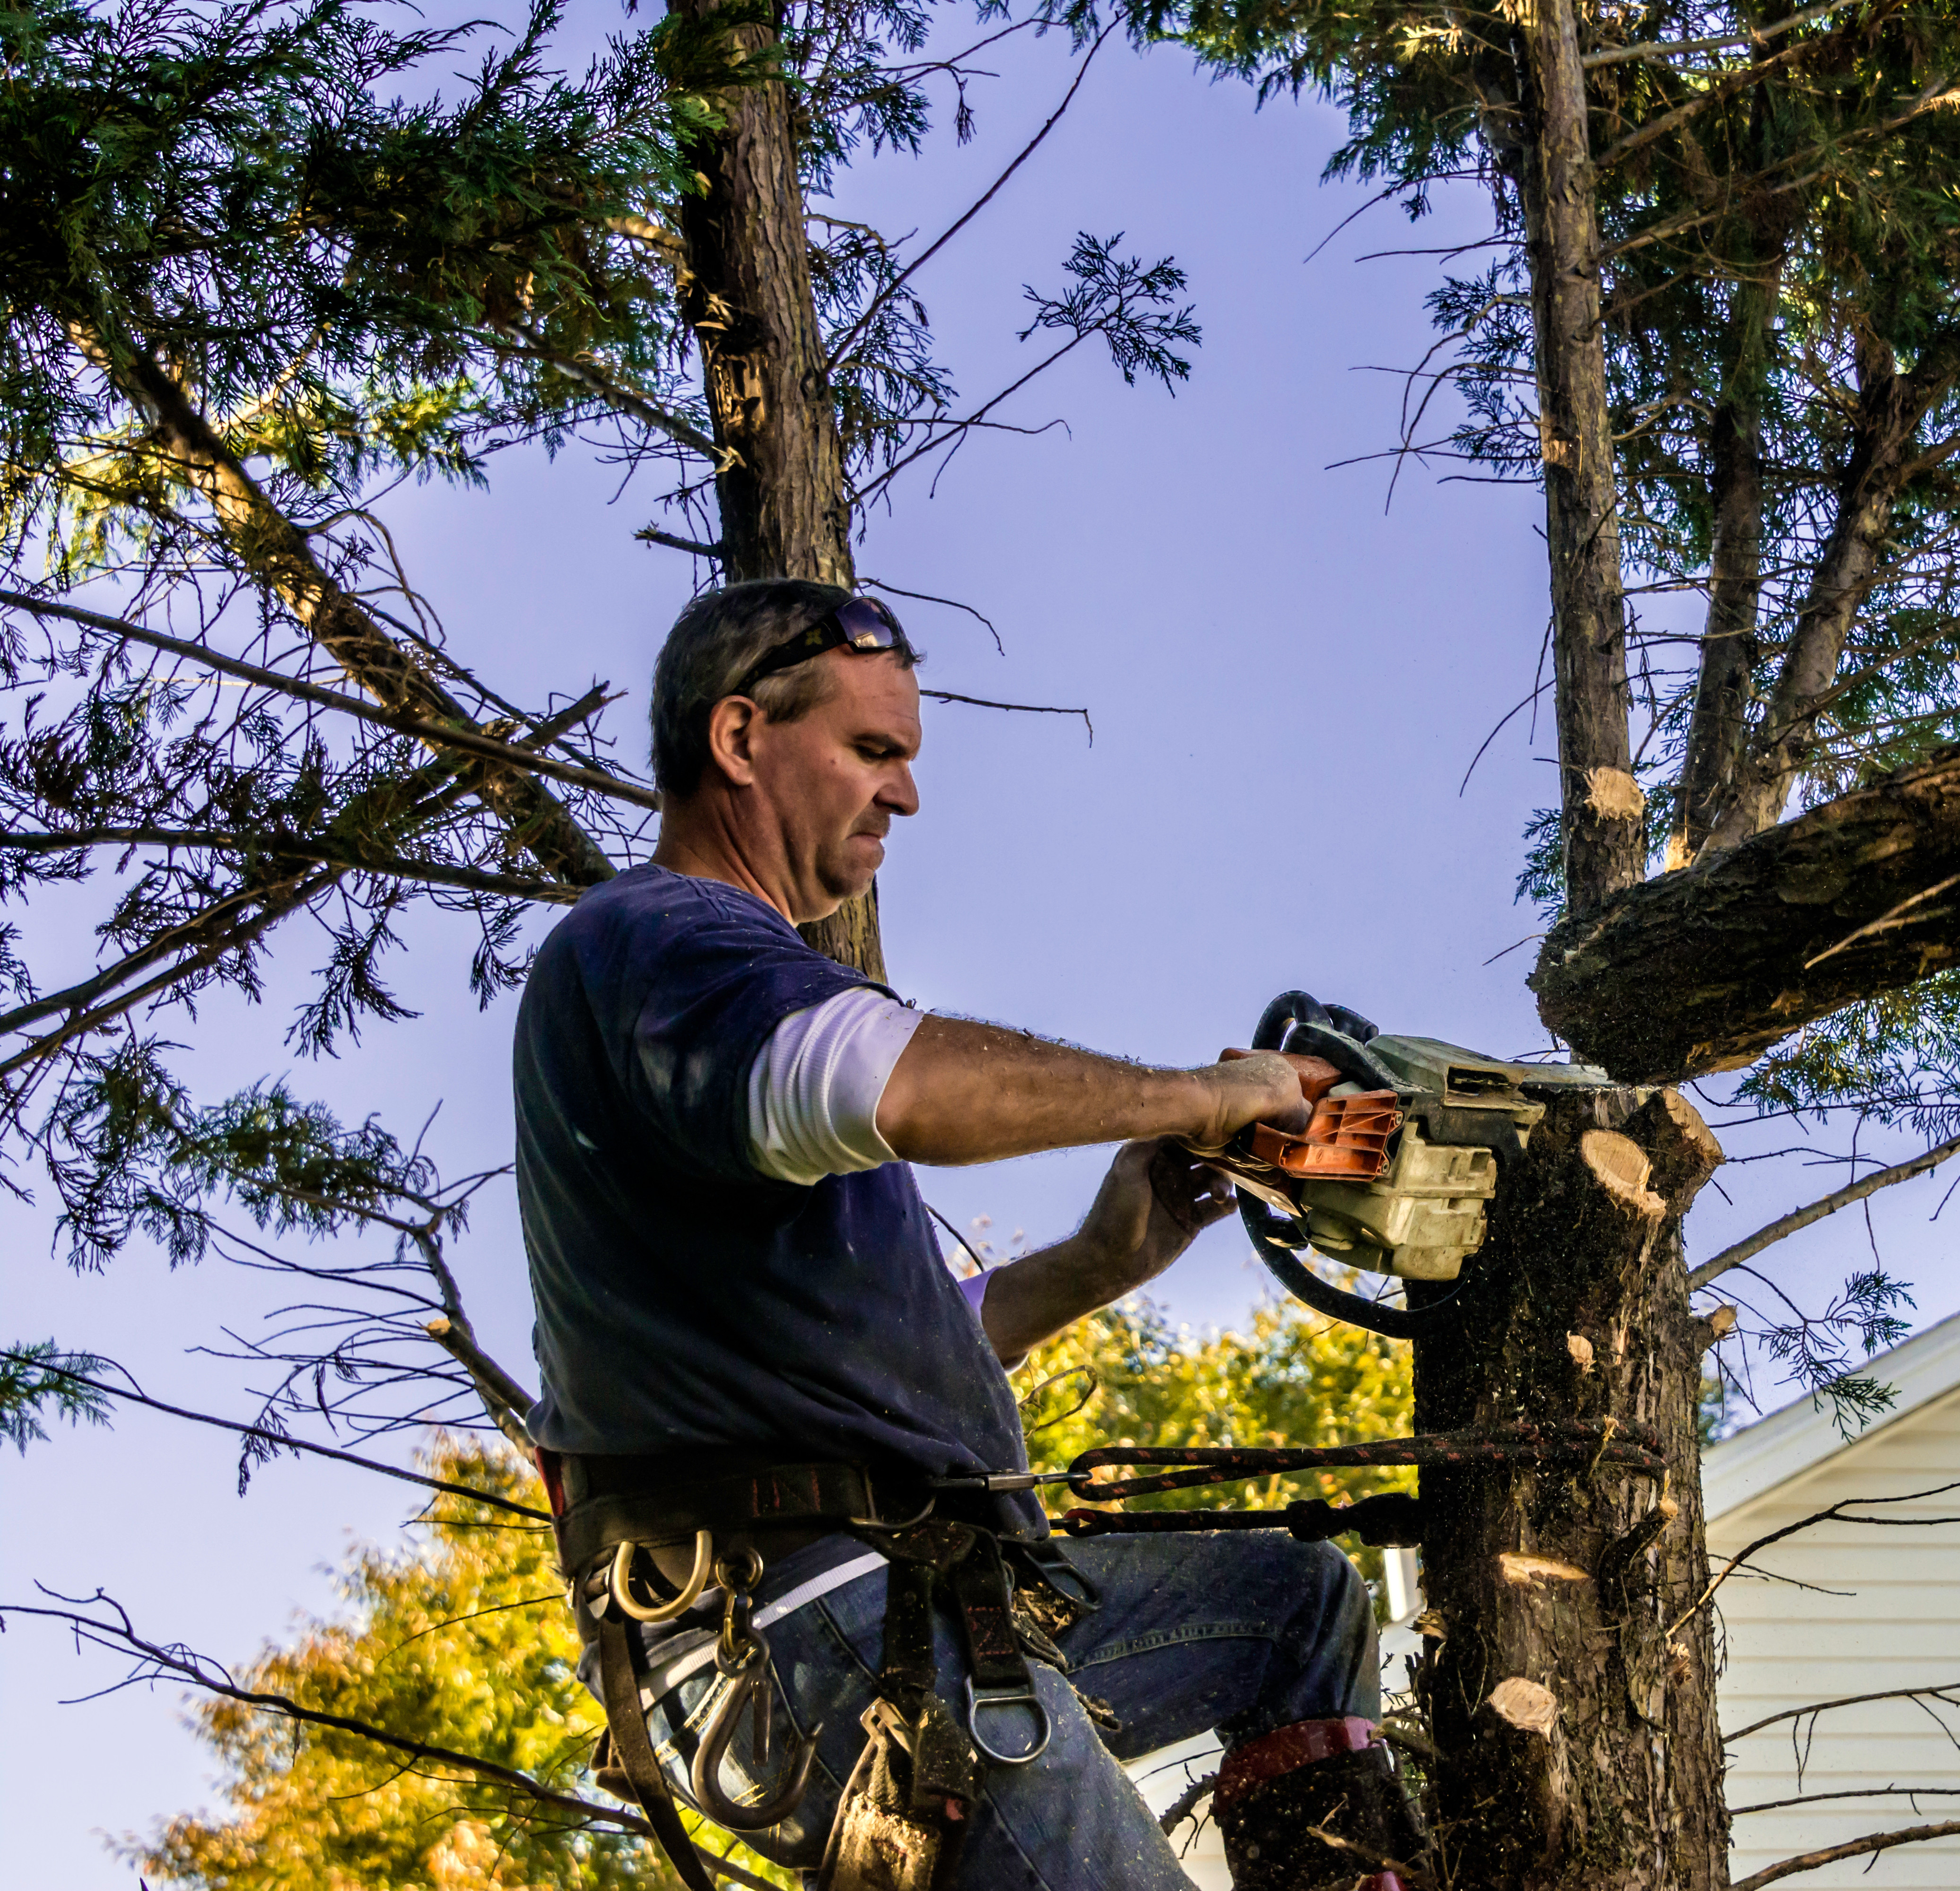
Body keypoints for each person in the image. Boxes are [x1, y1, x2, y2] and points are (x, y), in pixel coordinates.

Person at [515, 579, 1419, 1891]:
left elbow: (857, 1372)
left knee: (1297, 1612)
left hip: (906, 1604)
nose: (907, 795)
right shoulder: (667, 941)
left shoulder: (704, 996)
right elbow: (908, 1088)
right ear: (738, 741)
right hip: (810, 1628)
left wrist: (1095, 1266)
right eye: (873, 751)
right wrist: (1211, 1095)